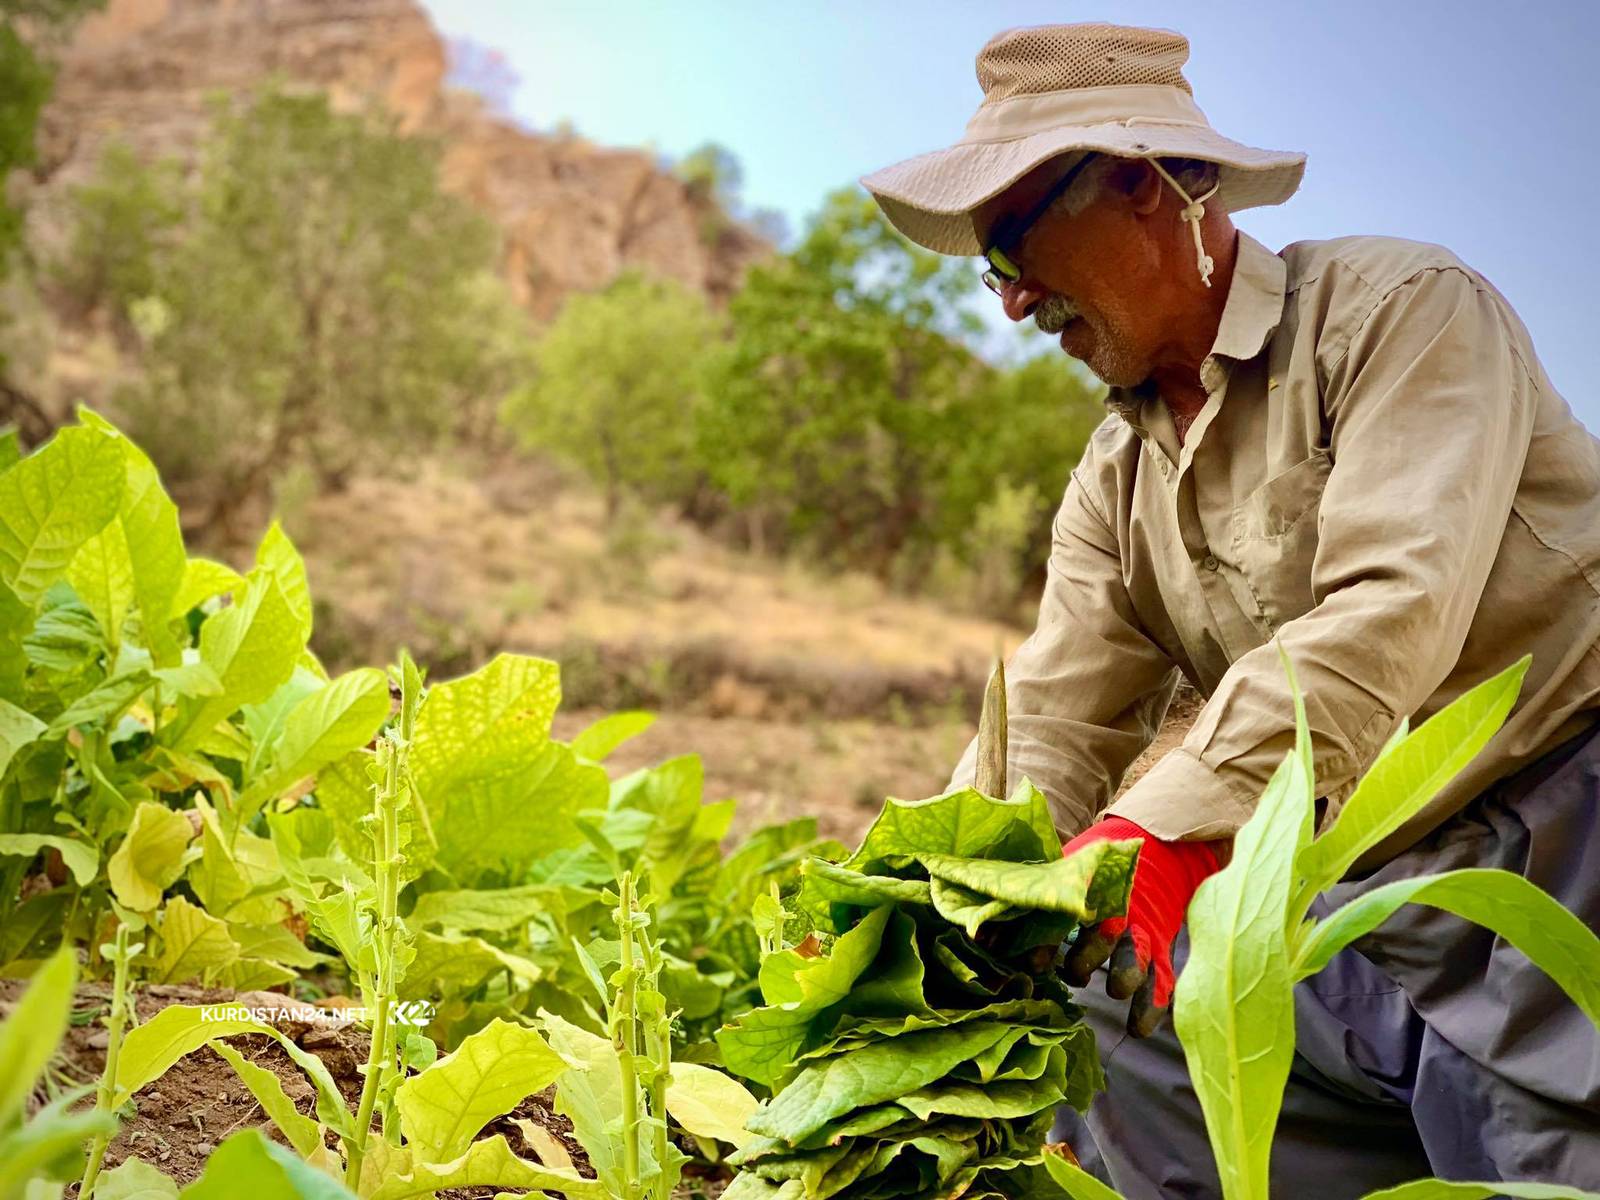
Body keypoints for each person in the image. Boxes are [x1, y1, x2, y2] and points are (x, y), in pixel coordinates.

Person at [860, 22, 1600, 1197]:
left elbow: (1388, 612)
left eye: (1014, 241)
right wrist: (933, 908)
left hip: (1554, 853)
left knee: (1533, 1175)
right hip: (1348, 895)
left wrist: (1168, 833)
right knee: (1117, 1029)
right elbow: (1053, 717)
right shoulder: (1115, 475)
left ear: (1148, 185)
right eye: (988, 267)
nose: (1010, 300)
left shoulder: (1401, 313)